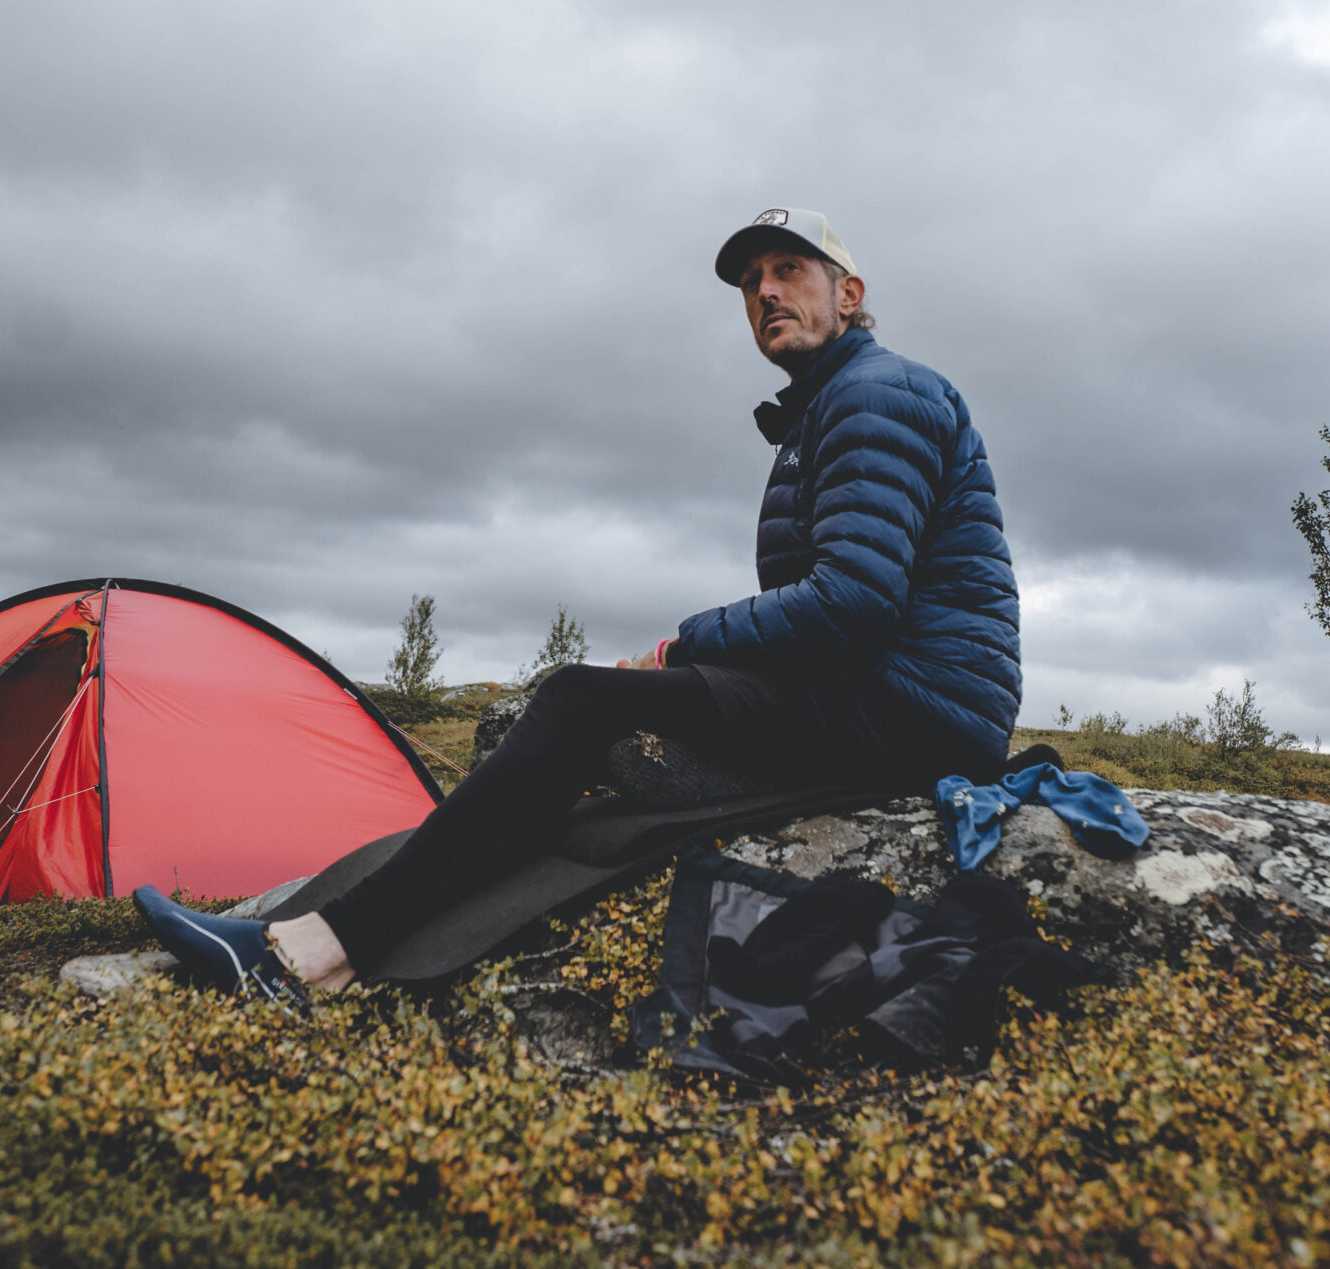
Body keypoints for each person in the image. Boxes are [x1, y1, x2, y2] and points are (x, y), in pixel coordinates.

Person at [135, 208, 1021, 999]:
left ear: (849, 292)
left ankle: (311, 955)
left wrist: (684, 650)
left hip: (911, 706)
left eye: (789, 271)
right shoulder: (832, 404)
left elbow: (854, 601)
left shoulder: (875, 393)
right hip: (880, 693)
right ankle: (342, 931)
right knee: (603, 724)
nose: (765, 292)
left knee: (580, 702)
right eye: (751, 282)